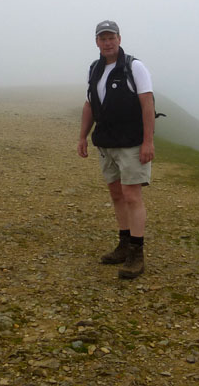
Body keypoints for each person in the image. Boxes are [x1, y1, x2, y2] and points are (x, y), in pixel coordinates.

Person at [77, 20, 155, 279]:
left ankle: (136, 252)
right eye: (103, 38)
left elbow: (147, 104)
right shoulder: (95, 69)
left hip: (131, 142)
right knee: (116, 195)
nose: (107, 42)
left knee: (132, 196)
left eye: (111, 37)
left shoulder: (134, 67)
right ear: (96, 42)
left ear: (119, 39)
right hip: (107, 142)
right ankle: (123, 244)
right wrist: (82, 137)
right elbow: (90, 104)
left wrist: (148, 142)